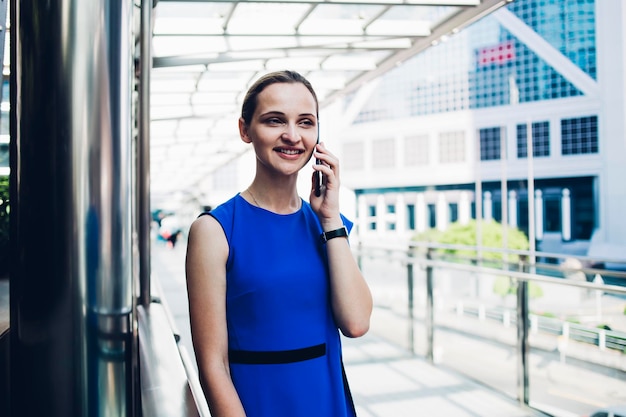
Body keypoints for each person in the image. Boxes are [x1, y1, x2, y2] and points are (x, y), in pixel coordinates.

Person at [185, 70, 373, 417]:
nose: (292, 135)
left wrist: (331, 220)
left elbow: (357, 322)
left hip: (327, 403)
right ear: (245, 130)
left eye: (305, 122)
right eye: (274, 121)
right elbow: (213, 366)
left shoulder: (326, 224)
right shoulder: (215, 231)